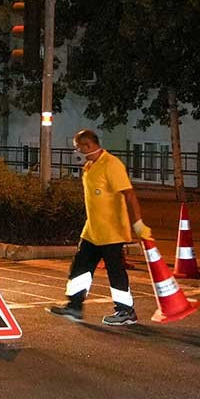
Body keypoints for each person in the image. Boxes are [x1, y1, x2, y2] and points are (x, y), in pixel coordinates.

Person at [49, 129, 152, 326]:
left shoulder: (111, 165)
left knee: (115, 271)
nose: (77, 152)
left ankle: (126, 311)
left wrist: (138, 223)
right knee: (80, 267)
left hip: (111, 230)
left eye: (78, 148)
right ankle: (74, 306)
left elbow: (129, 194)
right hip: (92, 230)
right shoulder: (90, 166)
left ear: (88, 146)